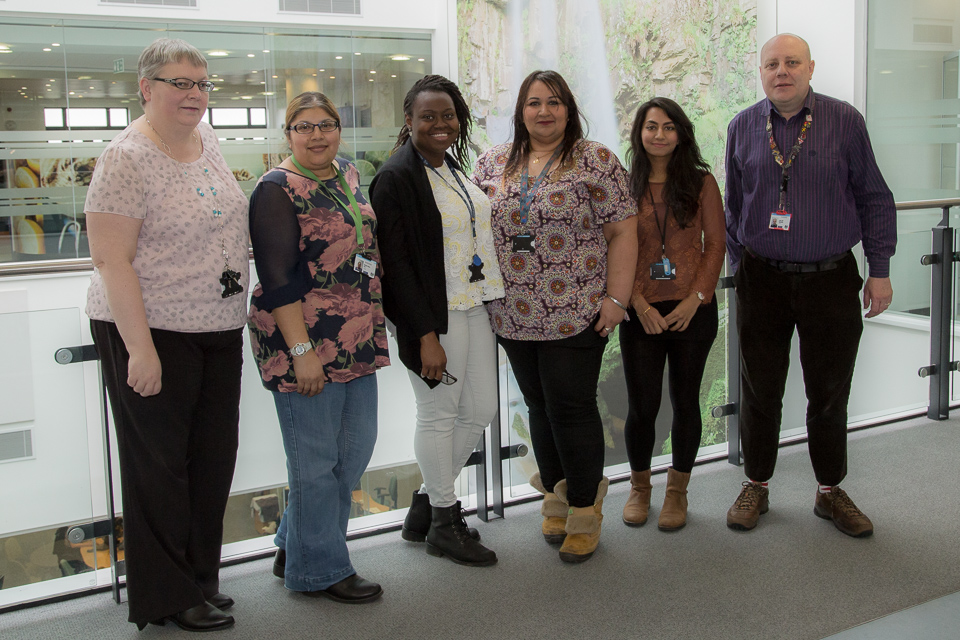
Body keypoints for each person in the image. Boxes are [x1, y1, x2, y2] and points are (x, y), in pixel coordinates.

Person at [85, 38, 248, 632]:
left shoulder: (207, 142)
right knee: (160, 468)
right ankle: (167, 596)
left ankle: (200, 579)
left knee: (211, 459)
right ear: (146, 88)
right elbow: (111, 261)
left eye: (202, 84)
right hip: (150, 328)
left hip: (215, 325)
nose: (194, 95)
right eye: (180, 84)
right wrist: (141, 350)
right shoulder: (125, 157)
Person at [724, 34, 896, 537]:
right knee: (760, 389)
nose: (782, 71)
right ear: (761, 72)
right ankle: (756, 483)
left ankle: (829, 491)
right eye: (772, 64)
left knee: (828, 391)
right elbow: (733, 205)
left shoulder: (845, 121)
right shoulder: (742, 126)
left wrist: (879, 270)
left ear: (810, 68)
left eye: (792, 62)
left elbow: (875, 197)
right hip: (762, 280)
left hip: (830, 278)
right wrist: (742, 265)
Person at [474, 70, 638, 563]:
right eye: (533, 103)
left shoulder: (596, 161)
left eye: (554, 102)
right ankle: (557, 494)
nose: (543, 111)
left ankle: (585, 507)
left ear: (569, 108)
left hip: (577, 310)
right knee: (538, 408)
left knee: (571, 407)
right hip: (512, 313)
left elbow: (624, 234)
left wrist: (617, 299)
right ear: (520, 111)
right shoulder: (492, 163)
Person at [247, 92, 390, 603]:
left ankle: (294, 542)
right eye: (303, 126)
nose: (316, 135)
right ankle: (321, 570)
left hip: (355, 333)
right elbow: (278, 278)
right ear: (287, 134)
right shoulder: (275, 189)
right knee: (313, 462)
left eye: (326, 124)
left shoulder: (347, 173)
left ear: (339, 128)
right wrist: (302, 350)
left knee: (353, 452)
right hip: (301, 339)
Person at [369, 75, 504, 567]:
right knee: (439, 416)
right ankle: (445, 522)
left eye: (448, 115)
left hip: (471, 304)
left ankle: (425, 505)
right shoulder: (396, 177)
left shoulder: (448, 167)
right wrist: (424, 335)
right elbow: (397, 265)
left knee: (482, 407)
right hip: (433, 317)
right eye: (428, 116)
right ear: (409, 122)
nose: (440, 124)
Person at [619, 97, 725, 531]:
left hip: (692, 311)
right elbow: (615, 248)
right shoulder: (624, 185)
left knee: (685, 403)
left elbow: (716, 244)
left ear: (681, 133)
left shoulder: (701, 183)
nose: (658, 135)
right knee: (642, 406)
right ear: (639, 133)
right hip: (639, 310)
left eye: (667, 127)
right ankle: (639, 488)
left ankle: (677, 491)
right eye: (650, 127)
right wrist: (637, 303)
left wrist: (694, 299)